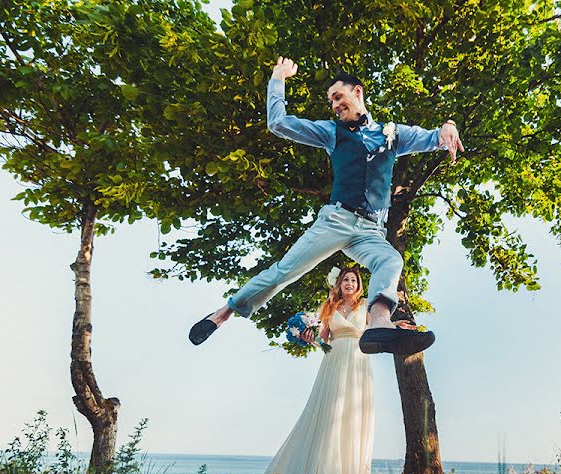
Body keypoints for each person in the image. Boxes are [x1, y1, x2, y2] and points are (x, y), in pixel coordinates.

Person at [189, 57, 464, 355]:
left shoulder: (393, 135)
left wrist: (448, 126)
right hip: (337, 220)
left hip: (371, 230)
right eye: (331, 101)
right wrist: (277, 79)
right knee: (285, 272)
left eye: (337, 97)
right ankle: (223, 313)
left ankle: (380, 324)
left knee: (391, 261)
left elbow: (434, 137)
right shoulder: (332, 132)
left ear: (357, 92)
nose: (334, 105)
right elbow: (278, 123)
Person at [261, 267, 385, 474]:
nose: (349, 283)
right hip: (334, 361)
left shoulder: (367, 306)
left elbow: (376, 331)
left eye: (353, 280)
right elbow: (323, 340)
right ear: (338, 284)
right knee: (329, 417)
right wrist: (310, 337)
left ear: (359, 285)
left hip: (358, 363)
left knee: (352, 418)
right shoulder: (329, 308)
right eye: (345, 280)